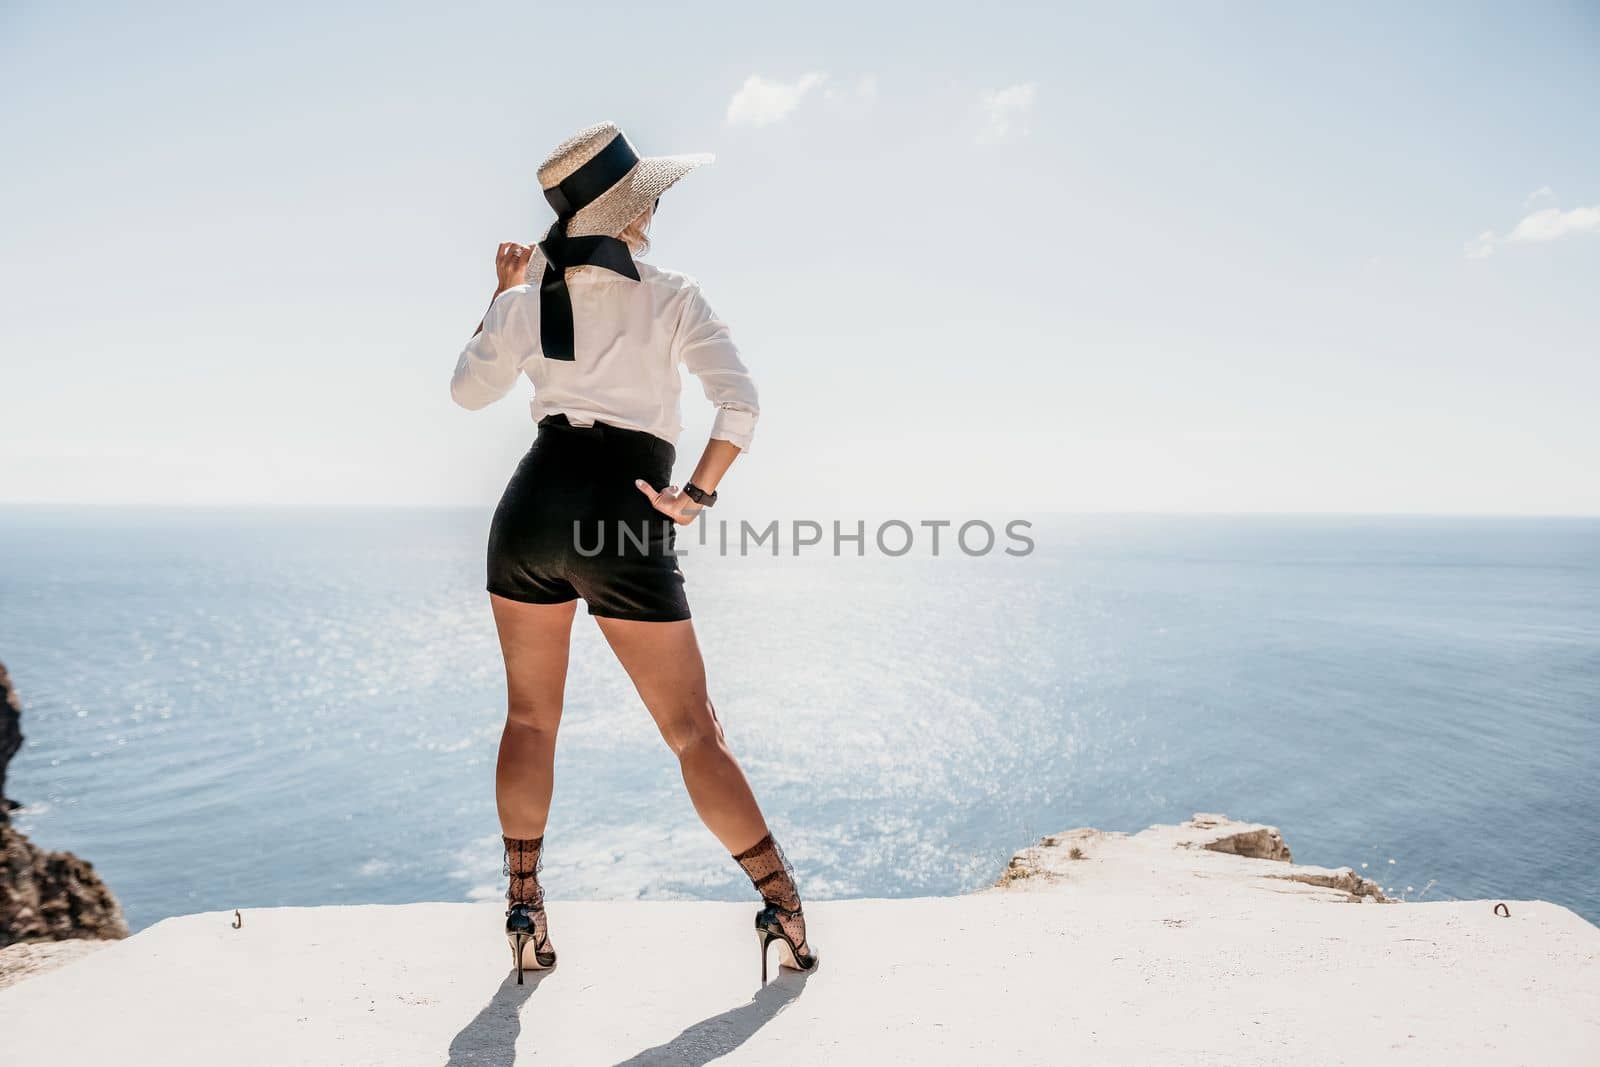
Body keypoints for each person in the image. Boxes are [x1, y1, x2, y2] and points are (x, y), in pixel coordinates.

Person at [450, 121, 817, 985]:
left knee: (531, 719)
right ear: (626, 210)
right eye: (646, 196)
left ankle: (524, 905)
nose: (655, 208)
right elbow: (742, 406)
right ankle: (784, 909)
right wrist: (696, 495)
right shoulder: (671, 291)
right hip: (623, 508)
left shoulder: (524, 295)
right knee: (694, 731)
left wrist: (499, 294)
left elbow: (469, 392)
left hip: (531, 506)